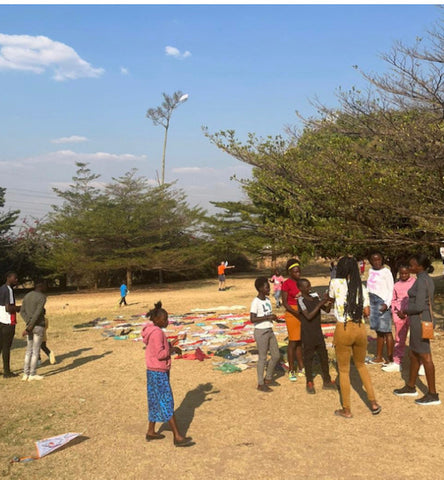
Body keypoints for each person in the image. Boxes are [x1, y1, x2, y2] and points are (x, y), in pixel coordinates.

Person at [329, 256, 381, 418]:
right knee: (361, 366)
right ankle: (373, 402)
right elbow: (367, 312)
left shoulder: (335, 283)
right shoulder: (361, 287)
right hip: (359, 328)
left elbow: (330, 301)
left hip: (343, 328)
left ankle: (347, 409)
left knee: (343, 371)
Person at [141, 301, 193, 446]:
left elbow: (160, 347)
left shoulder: (151, 330)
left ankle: (151, 431)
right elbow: (160, 354)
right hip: (159, 372)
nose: (167, 322)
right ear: (157, 320)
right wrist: (172, 350)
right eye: (165, 319)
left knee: (154, 400)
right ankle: (177, 436)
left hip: (152, 371)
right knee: (166, 401)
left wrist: (173, 343)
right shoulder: (157, 333)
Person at [394, 254, 440, 405]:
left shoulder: (421, 281)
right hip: (419, 321)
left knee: (425, 357)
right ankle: (411, 386)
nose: (410, 266)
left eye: (412, 264)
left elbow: (419, 306)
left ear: (420, 266)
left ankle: (433, 394)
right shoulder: (425, 279)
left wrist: (404, 311)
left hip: (420, 321)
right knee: (413, 354)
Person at [297, 278, 337, 394]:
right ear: (300, 289)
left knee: (323, 356)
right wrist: (320, 304)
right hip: (307, 333)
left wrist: (329, 302)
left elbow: (327, 310)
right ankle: (309, 381)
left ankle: (327, 380)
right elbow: (308, 316)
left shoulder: (315, 297)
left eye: (309, 285)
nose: (309, 288)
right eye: (306, 286)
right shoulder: (301, 300)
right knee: (308, 358)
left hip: (318, 332)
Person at [382, 264, 415, 373]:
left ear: (409, 272)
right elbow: (393, 300)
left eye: (406, 273)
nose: (404, 275)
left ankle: (420, 364)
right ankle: (397, 362)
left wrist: (409, 311)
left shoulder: (415, 282)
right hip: (399, 316)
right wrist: (396, 312)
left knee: (415, 339)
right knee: (399, 339)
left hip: (412, 314)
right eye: (401, 273)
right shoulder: (396, 285)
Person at [250, 277, 280, 392]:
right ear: (260, 289)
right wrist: (268, 317)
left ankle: (268, 378)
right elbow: (252, 318)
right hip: (261, 332)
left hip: (269, 330)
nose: (269, 289)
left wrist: (274, 318)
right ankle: (260, 383)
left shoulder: (267, 301)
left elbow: (268, 314)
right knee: (262, 357)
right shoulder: (255, 302)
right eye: (267, 287)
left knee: (276, 355)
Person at [366, 252, 395, 366]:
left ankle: (390, 357)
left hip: (382, 302)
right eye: (374, 260)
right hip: (372, 301)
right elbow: (369, 287)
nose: (377, 262)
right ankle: (378, 356)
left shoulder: (386, 272)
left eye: (379, 260)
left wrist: (387, 304)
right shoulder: (370, 271)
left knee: (387, 331)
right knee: (379, 331)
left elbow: (391, 289)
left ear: (382, 260)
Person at [281, 258, 304, 381]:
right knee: (293, 342)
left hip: (301, 312)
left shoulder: (301, 282)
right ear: (290, 272)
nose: (298, 274)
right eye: (295, 272)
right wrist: (297, 313)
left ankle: (301, 366)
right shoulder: (286, 284)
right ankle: (291, 369)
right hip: (292, 314)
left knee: (300, 341)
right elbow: (285, 303)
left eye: (299, 271)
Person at [20, 281, 47, 381]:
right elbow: (38, 312)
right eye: (45, 285)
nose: (46, 288)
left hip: (29, 325)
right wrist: (31, 325)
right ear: (40, 286)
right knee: (35, 351)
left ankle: (25, 374)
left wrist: (28, 322)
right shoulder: (42, 297)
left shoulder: (27, 295)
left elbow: (22, 311)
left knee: (28, 351)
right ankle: (32, 374)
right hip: (37, 325)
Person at [0, 272, 20, 378]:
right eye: (15, 278)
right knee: (6, 347)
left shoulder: (1, 288)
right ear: (8, 278)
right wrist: (19, 308)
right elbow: (8, 308)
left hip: (0, 320)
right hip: (8, 322)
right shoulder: (9, 290)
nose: (16, 280)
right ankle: (7, 372)